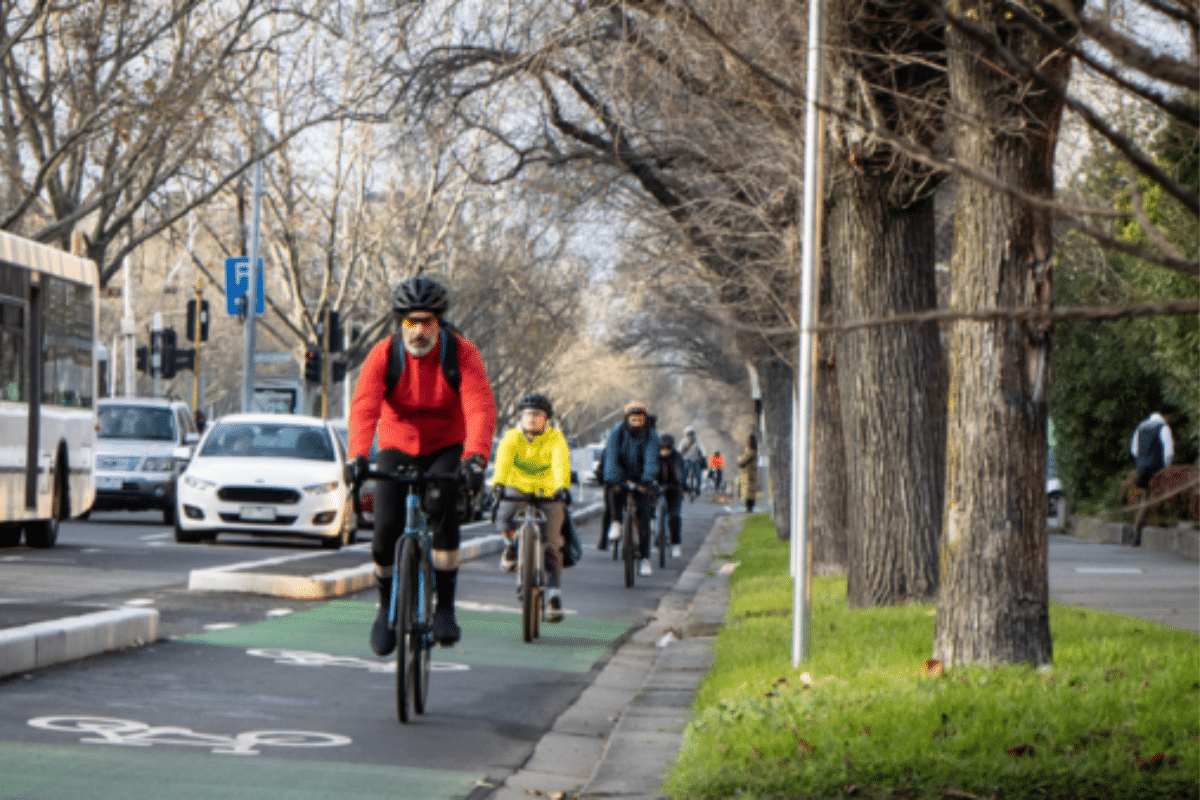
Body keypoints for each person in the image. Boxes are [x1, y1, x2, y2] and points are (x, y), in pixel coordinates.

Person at [349, 275, 497, 654]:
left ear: (440, 322)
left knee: (445, 518)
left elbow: (479, 406)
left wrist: (476, 457)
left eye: (426, 321)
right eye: (410, 322)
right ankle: (385, 610)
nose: (418, 330)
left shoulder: (461, 353)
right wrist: (358, 456)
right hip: (397, 444)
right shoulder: (384, 354)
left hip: (446, 444)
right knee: (383, 531)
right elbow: (365, 407)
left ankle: (445, 608)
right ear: (400, 323)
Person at [491, 392, 572, 622]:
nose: (532, 419)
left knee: (552, 545)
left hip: (548, 490)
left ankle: (554, 595)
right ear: (521, 417)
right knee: (504, 511)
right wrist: (498, 484)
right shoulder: (511, 438)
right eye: (528, 415)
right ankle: (509, 546)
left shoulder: (556, 438)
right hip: (518, 486)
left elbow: (560, 464)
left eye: (537, 415)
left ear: (547, 419)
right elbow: (503, 463)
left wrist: (561, 487)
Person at [602, 400, 660, 576]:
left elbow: (651, 459)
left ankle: (644, 559)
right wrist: (613, 478)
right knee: (615, 492)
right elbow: (611, 457)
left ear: (645, 419)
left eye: (640, 419)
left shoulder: (652, 435)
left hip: (642, 476)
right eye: (633, 419)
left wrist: (647, 481)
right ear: (627, 419)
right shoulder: (617, 432)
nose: (636, 422)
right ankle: (617, 522)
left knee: (643, 519)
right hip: (621, 472)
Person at [1129, 408, 1175, 545]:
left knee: (1144, 499)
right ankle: (1138, 532)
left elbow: (1134, 450)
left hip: (1141, 469)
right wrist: (1166, 469)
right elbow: (1169, 452)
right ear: (1165, 416)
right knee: (1156, 499)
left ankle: (1138, 529)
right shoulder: (1163, 427)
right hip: (1157, 470)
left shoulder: (1141, 427)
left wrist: (1140, 464)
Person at [657, 433, 687, 558]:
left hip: (673, 489)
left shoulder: (676, 457)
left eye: (668, 448)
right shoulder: (654, 456)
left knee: (674, 516)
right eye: (662, 448)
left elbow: (679, 472)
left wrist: (681, 483)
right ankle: (656, 534)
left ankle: (675, 545)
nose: (665, 451)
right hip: (657, 488)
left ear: (672, 447)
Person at [678, 427, 705, 500]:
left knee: (698, 474)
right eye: (688, 435)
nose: (690, 436)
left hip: (696, 459)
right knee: (684, 473)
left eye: (691, 435)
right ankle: (684, 487)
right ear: (686, 435)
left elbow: (702, 451)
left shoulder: (697, 442)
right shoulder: (683, 442)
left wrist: (702, 457)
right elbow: (679, 451)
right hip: (687, 459)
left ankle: (698, 488)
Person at [737, 434, 759, 513]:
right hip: (750, 475)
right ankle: (749, 508)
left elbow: (741, 461)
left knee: (748, 492)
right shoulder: (753, 451)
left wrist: (739, 457)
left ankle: (749, 509)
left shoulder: (751, 452)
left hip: (748, 475)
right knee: (749, 492)